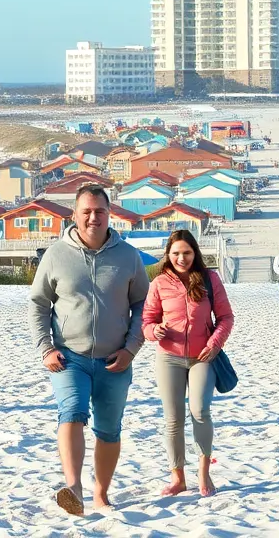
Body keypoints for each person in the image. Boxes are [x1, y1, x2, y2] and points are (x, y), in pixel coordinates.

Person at [29, 185, 150, 516]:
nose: (93, 217)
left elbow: (144, 304)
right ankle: (75, 488)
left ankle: (100, 492)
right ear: (75, 215)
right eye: (87, 211)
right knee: (71, 412)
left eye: (99, 211)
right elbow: (38, 304)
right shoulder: (56, 255)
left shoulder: (128, 256)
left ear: (109, 214)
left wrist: (131, 349)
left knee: (109, 430)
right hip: (70, 358)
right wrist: (46, 349)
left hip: (116, 360)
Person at [142, 230, 234, 498]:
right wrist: (153, 331)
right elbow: (147, 320)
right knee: (173, 419)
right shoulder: (159, 283)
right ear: (168, 256)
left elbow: (226, 317)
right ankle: (178, 478)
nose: (181, 258)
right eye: (176, 253)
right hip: (168, 357)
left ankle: (204, 474)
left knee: (200, 411)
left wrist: (214, 344)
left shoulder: (210, 279)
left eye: (187, 253)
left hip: (203, 356)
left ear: (195, 253)